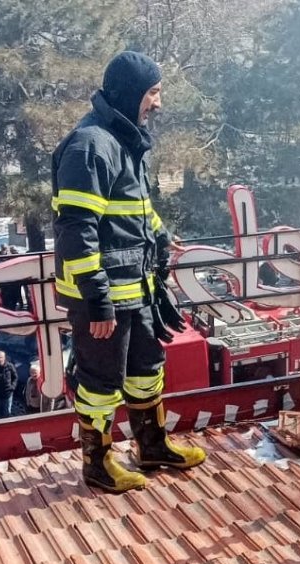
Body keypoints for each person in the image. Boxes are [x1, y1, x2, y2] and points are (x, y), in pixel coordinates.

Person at [52, 50, 205, 493]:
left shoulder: (123, 139)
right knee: (100, 382)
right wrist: (97, 300)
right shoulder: (91, 145)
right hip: (102, 296)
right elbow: (76, 228)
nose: (158, 102)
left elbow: (134, 209)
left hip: (135, 288)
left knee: (146, 367)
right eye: (153, 92)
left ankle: (152, 446)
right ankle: (97, 465)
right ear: (130, 92)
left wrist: (161, 235)